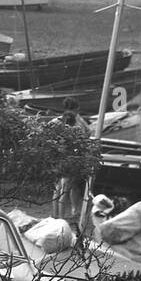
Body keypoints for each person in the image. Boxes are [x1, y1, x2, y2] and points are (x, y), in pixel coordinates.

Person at [51, 97, 86, 227]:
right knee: (65, 192)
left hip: (57, 160)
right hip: (69, 162)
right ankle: (61, 219)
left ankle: (55, 216)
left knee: (56, 189)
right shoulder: (76, 127)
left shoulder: (56, 122)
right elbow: (83, 138)